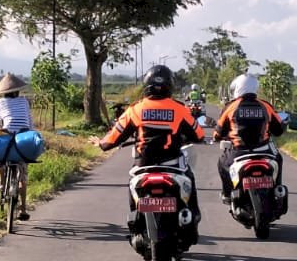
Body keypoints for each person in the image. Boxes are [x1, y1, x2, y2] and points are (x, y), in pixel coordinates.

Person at [93, 64, 206, 244]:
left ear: (146, 84)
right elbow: (198, 134)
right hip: (172, 165)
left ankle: (135, 223)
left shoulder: (135, 109)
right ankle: (192, 219)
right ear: (170, 85)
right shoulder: (179, 109)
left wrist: (100, 143)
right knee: (189, 180)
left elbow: (113, 138)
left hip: (143, 165)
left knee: (132, 186)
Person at [214, 72, 286, 204]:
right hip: (264, 151)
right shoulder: (266, 106)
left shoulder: (231, 107)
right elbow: (279, 130)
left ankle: (228, 194)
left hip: (238, 152)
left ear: (238, 88)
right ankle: (277, 189)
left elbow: (218, 133)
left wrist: (217, 137)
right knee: (279, 159)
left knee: (221, 163)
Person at [0, 72, 33, 220]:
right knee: (22, 178)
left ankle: (2, 182)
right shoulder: (24, 101)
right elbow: (30, 123)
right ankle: (23, 209)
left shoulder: (0, 103)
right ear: (18, 91)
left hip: (8, 137)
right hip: (23, 138)